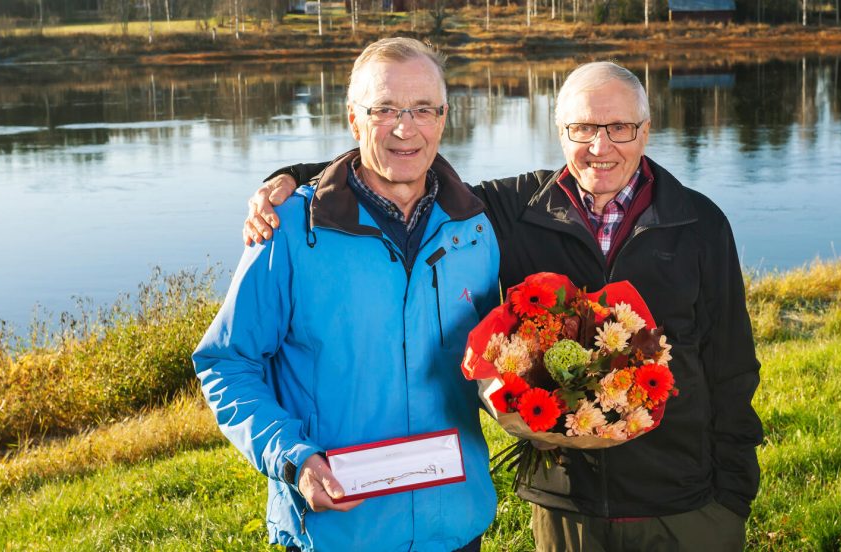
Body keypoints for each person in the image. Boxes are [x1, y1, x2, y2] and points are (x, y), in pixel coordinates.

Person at [246, 61, 763, 552]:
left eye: (619, 127)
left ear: (645, 131)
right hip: (567, 507)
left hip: (684, 503)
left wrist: (732, 499)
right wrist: (293, 177)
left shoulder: (699, 223)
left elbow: (732, 368)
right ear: (560, 132)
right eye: (582, 128)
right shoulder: (513, 209)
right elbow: (404, 166)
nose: (599, 146)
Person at [193, 37, 500, 552]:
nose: (407, 128)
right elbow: (227, 364)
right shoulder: (288, 231)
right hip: (338, 532)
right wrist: (293, 457)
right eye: (385, 110)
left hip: (456, 526)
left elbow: (493, 359)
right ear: (354, 120)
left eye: (424, 109)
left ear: (444, 118)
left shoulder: (475, 231)